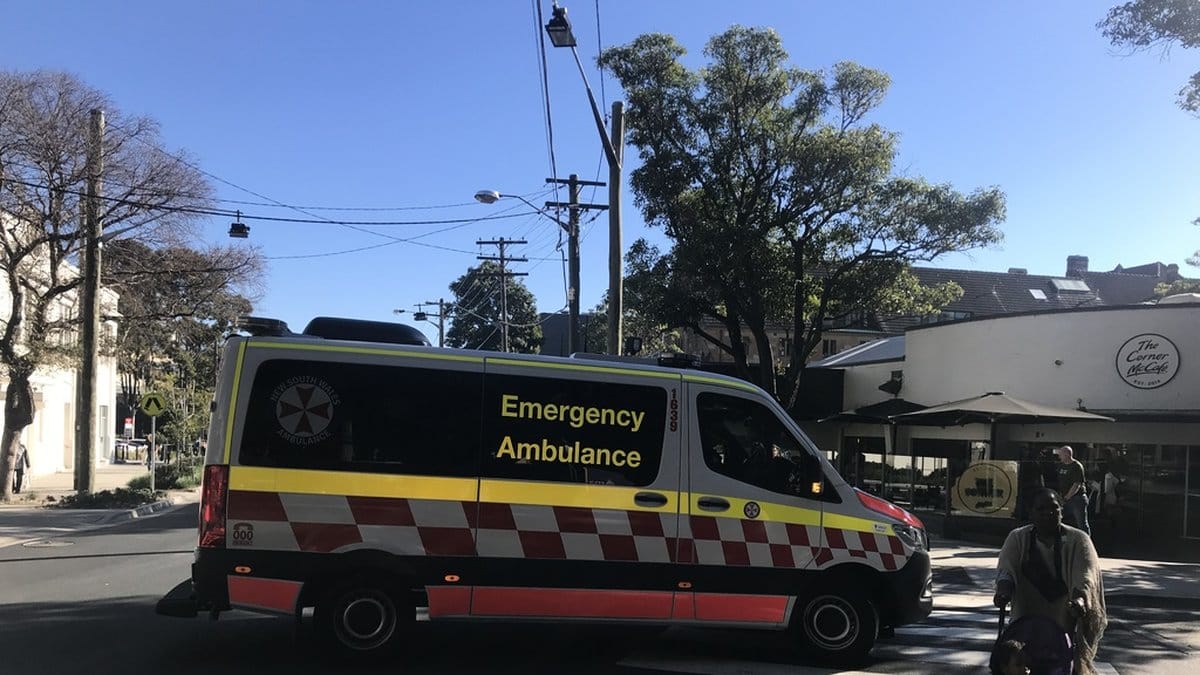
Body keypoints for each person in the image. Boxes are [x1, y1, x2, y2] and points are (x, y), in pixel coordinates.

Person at [993, 487, 1107, 675]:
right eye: (1041, 509)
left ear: (1062, 511)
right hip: (1024, 627)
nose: (1048, 513)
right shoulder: (1018, 538)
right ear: (1031, 512)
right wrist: (1003, 591)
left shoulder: (1078, 540)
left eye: (1054, 508)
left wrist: (1080, 600)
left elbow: (1085, 577)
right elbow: (1006, 570)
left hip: (1063, 627)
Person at [1056, 445, 1090, 536]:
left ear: (1067, 454)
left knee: (1081, 523)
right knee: (1060, 520)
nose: (1059, 457)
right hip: (1063, 497)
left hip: (1077, 498)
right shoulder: (1061, 466)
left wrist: (1067, 497)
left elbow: (1077, 484)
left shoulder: (1076, 466)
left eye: (1061, 454)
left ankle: (1086, 540)